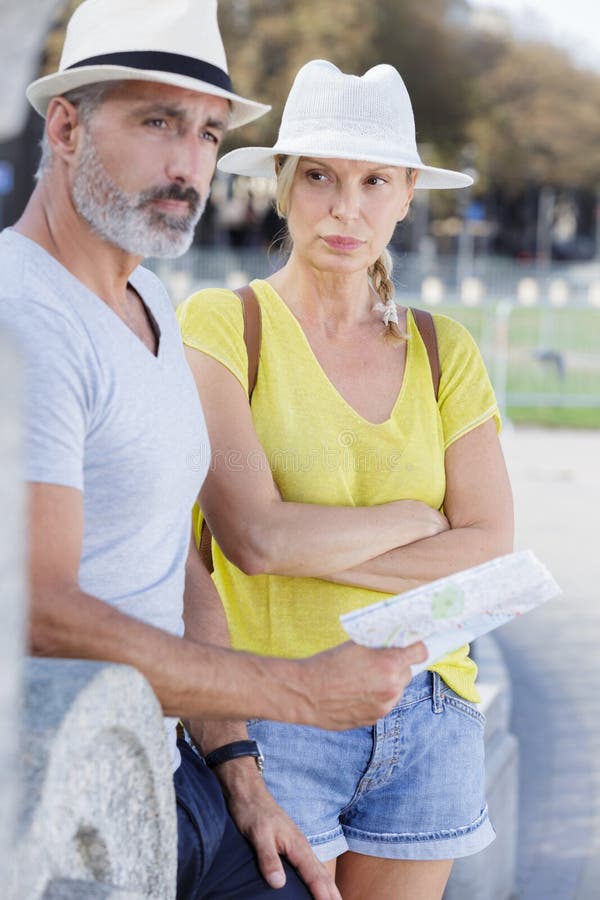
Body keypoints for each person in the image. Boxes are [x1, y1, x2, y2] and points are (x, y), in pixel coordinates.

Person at [0, 3, 426, 897]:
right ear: (68, 126)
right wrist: (299, 695)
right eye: (158, 122)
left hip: (173, 777)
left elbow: (173, 554)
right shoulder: (23, 319)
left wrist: (237, 763)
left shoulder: (148, 297)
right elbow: (34, 609)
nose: (189, 164)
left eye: (207, 132)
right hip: (52, 809)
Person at [178, 59, 514, 900]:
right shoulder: (224, 327)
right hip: (280, 707)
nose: (346, 206)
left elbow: (492, 547)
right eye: (320, 176)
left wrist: (296, 544)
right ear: (284, 186)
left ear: (407, 195)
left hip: (431, 704)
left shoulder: (446, 351)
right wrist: (413, 517)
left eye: (374, 181)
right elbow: (250, 539)